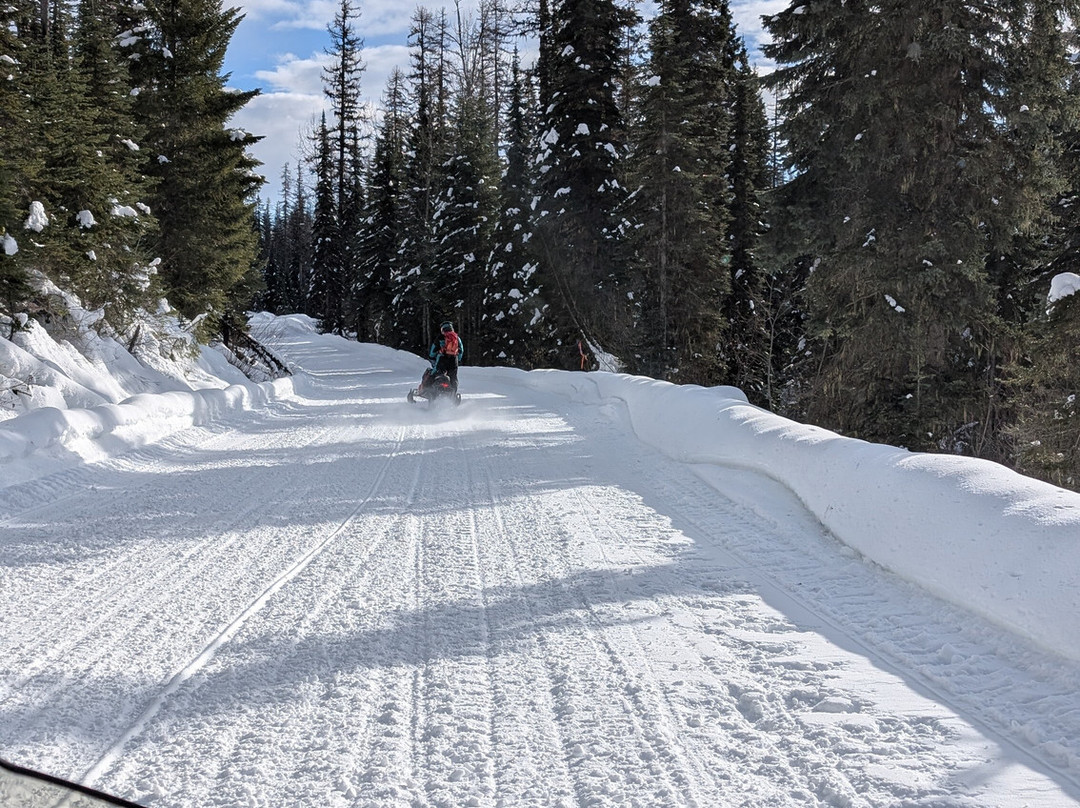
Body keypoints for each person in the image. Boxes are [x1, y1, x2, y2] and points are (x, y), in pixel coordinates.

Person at [430, 321, 463, 392]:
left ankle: (434, 392)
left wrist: (432, 357)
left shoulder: (440, 338)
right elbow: (461, 350)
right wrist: (458, 359)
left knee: (438, 375)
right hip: (454, 360)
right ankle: (453, 394)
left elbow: (432, 351)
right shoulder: (457, 338)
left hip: (442, 359)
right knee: (453, 377)